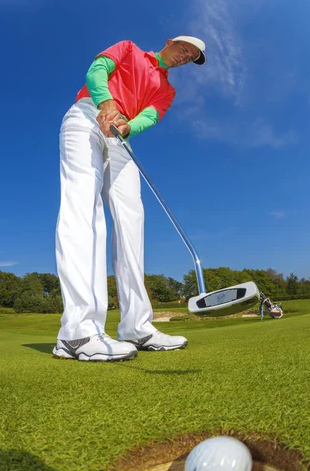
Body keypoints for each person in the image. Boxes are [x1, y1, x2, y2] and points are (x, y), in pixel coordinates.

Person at [53, 36, 206, 362]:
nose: (184, 57)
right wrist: (106, 103)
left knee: (131, 221)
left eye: (190, 58)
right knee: (84, 210)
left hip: (120, 137)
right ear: (171, 42)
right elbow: (97, 71)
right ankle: (77, 332)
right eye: (184, 49)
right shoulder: (129, 50)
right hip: (87, 117)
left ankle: (136, 326)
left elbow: (149, 117)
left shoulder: (168, 91)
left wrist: (127, 127)